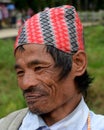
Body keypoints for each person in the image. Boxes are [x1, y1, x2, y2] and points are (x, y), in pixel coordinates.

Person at [0, 5, 104, 130]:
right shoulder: (8, 125)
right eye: (20, 72)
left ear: (78, 63)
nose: (26, 83)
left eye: (38, 68)